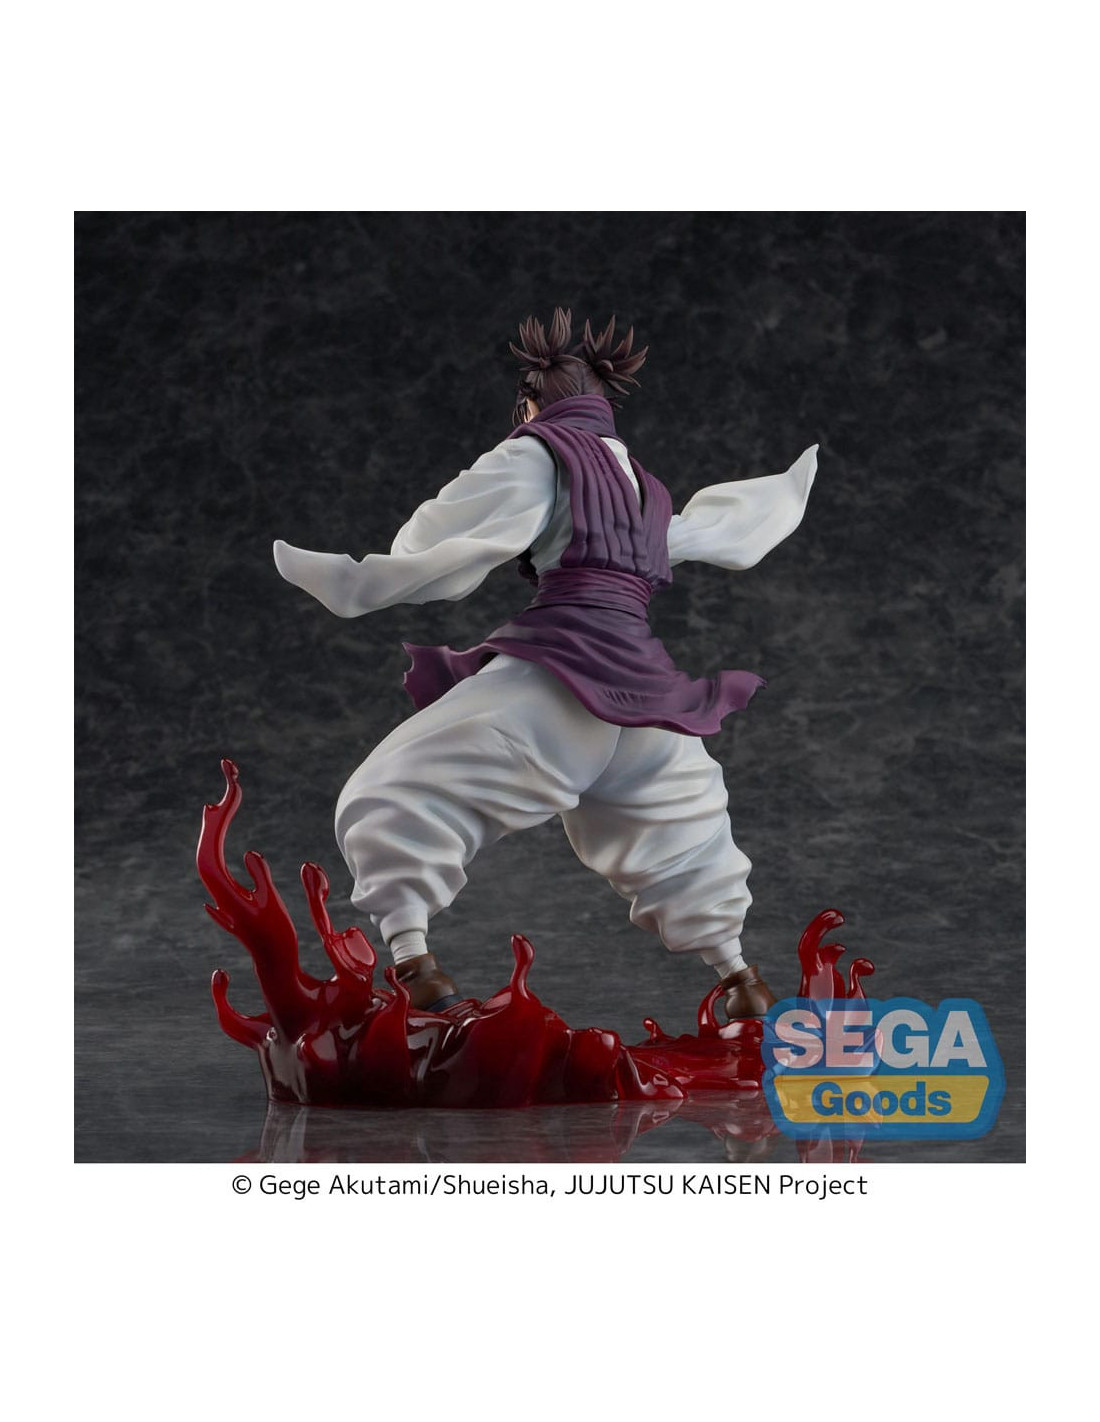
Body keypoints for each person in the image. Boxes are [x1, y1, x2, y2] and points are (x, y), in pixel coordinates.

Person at [273, 309, 817, 1018]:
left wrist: (363, 578)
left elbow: (442, 534)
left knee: (396, 792)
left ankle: (415, 966)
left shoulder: (537, 452)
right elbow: (694, 535)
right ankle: (741, 980)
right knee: (684, 836)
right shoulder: (644, 483)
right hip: (648, 699)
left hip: (563, 676)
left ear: (532, 402)